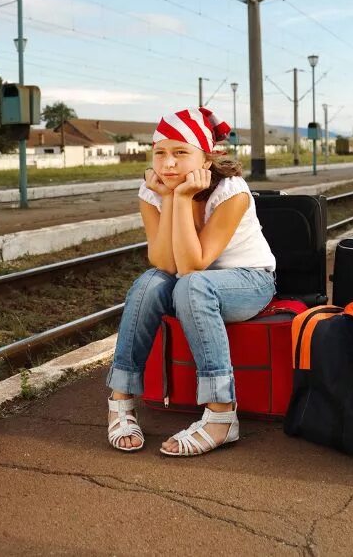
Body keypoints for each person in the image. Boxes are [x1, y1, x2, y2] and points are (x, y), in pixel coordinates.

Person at [106, 107, 277, 456]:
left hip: (249, 281)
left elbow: (193, 264)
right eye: (160, 153)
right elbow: (166, 262)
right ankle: (120, 402)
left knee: (192, 284)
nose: (168, 164)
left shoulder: (231, 191)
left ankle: (221, 415)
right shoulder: (152, 192)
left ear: (206, 157)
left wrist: (182, 198)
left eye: (181, 153)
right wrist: (169, 198)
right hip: (192, 283)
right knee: (149, 282)